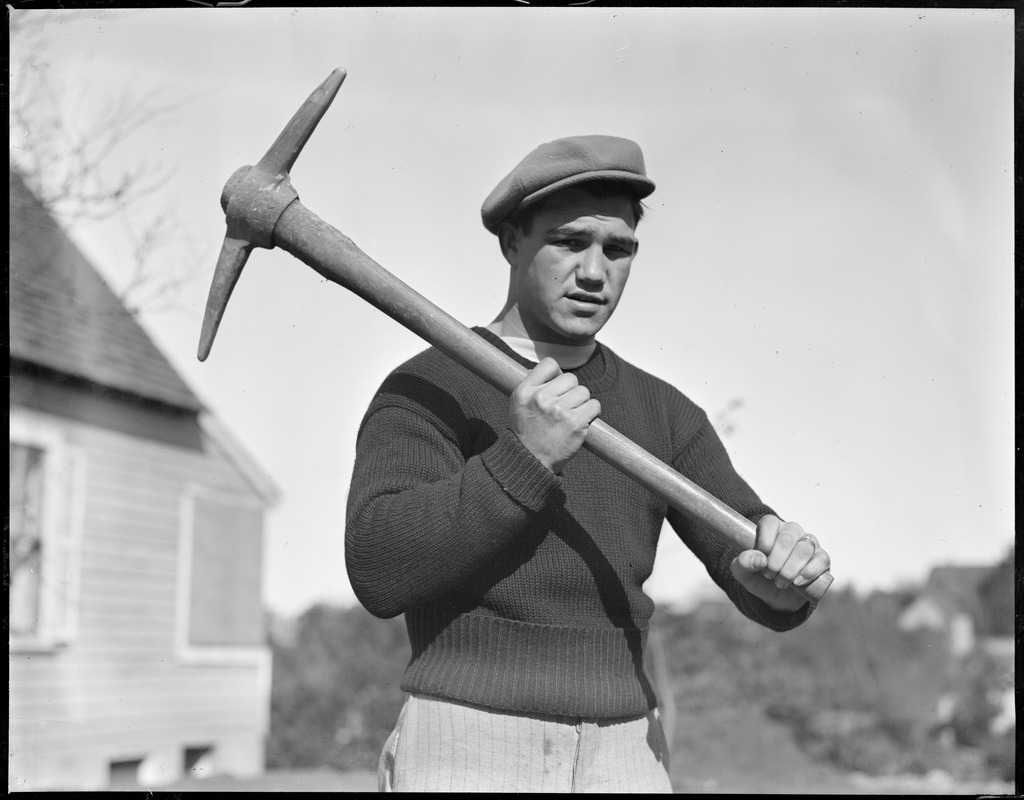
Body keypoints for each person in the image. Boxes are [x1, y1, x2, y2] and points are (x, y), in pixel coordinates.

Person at [345, 135, 832, 792]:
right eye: (570, 242)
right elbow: (379, 568)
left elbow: (745, 547)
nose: (596, 271)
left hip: (627, 753)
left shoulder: (663, 412)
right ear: (512, 241)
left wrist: (775, 580)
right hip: (466, 743)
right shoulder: (431, 386)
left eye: (618, 248)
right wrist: (523, 459)